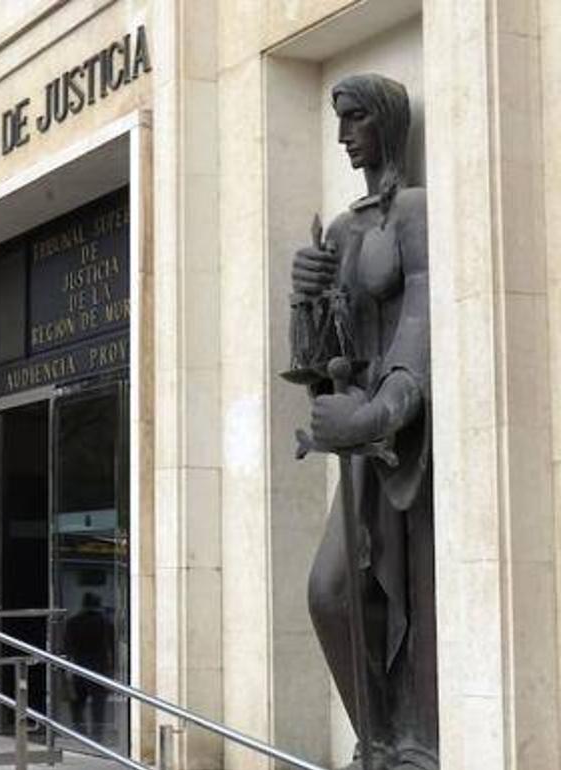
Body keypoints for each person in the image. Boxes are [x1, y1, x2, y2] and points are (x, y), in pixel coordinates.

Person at [290, 73, 435, 769]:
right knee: (329, 592)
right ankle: (374, 740)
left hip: (405, 436)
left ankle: (407, 743)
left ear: (385, 121)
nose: (344, 135)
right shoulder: (345, 227)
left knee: (403, 598)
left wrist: (379, 412)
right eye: (338, 121)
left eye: (355, 120)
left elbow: (420, 327)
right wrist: (304, 299)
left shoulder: (413, 211)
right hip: (359, 433)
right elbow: (319, 362)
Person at [63, 593, 113, 741]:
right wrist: (112, 668)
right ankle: (98, 735)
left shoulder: (72, 622)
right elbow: (111, 647)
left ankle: (80, 732)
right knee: (98, 704)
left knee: (77, 703)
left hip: (79, 665)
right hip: (99, 666)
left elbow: (67, 646)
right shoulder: (105, 623)